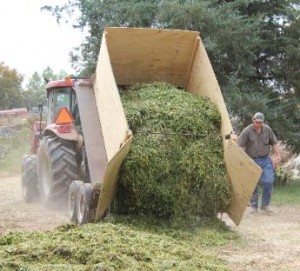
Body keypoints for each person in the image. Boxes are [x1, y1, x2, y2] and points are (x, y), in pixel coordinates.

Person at [238, 112, 281, 213]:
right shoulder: (246, 131)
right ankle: (254, 207)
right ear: (253, 120)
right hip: (252, 160)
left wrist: (278, 155)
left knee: (269, 181)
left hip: (266, 160)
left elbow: (274, 143)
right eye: (257, 122)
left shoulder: (267, 130)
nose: (258, 124)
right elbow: (239, 146)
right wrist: (244, 159)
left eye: (260, 122)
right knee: (253, 184)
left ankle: (265, 205)